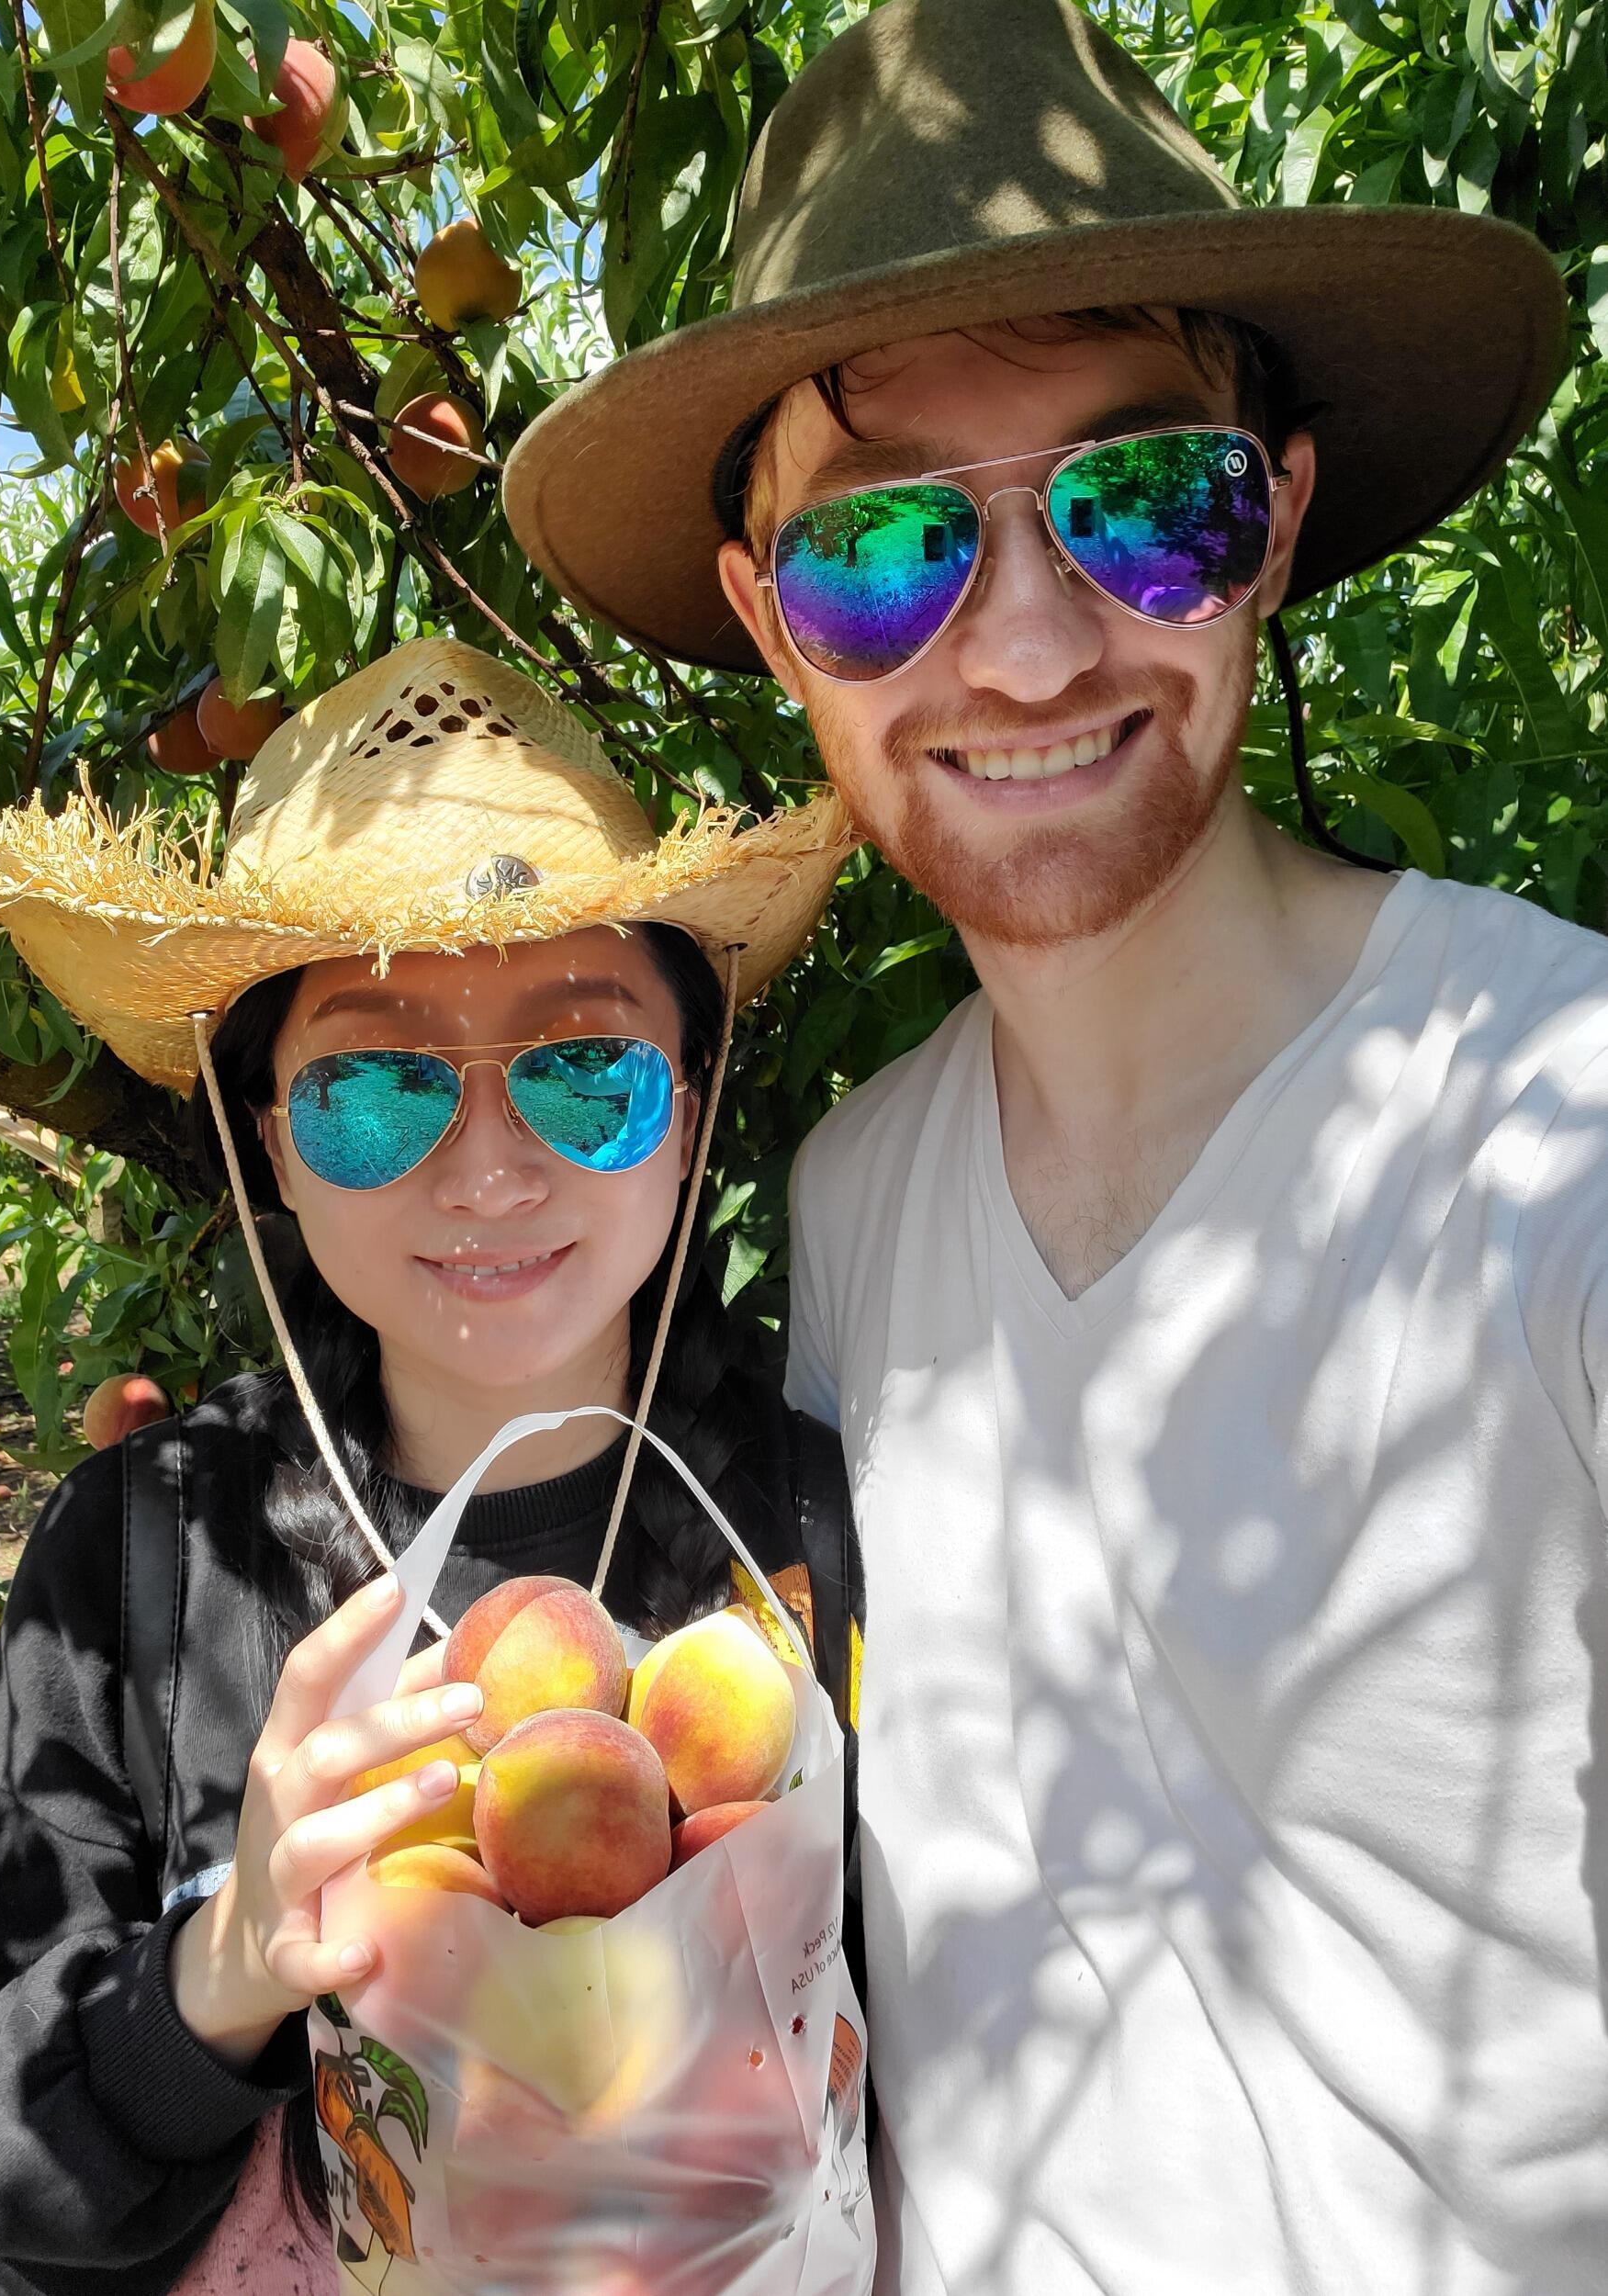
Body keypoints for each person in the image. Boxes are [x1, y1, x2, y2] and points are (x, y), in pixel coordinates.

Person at [503, 1, 1608, 2290]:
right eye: (884, 554)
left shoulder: (1557, 1137)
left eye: (1140, 504)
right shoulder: (849, 1199)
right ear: (763, 621)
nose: (1016, 648)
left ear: (1273, 517)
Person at [0, 636, 859, 2295]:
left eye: (583, 1069)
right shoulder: (151, 1562)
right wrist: (221, 1973)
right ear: (270, 1137)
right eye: (371, 1089)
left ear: (689, 1114)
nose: (486, 1170)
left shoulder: (816, 1528)